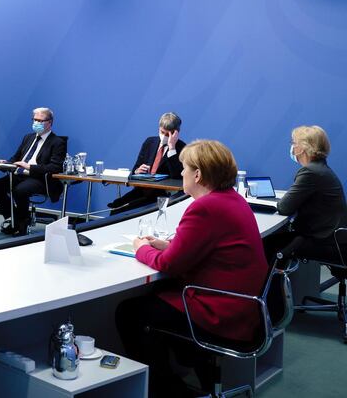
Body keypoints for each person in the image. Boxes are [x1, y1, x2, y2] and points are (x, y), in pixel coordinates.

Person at [115, 140, 268, 397]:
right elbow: (202, 246)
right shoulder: (232, 200)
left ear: (198, 174)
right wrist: (167, 244)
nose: (182, 173)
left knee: (130, 313)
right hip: (244, 308)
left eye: (185, 168)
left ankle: (167, 390)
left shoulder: (204, 207)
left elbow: (169, 264)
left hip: (220, 312)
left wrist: (141, 247)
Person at [264, 125, 347, 261]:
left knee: (267, 242)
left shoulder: (310, 172)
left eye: (294, 143)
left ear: (302, 148)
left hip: (326, 241)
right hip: (334, 237)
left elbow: (284, 207)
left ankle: (267, 282)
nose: (292, 147)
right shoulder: (321, 169)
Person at [0, 108, 67, 236]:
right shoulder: (28, 138)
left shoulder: (58, 142)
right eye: (35, 120)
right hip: (19, 175)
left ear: (50, 122)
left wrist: (29, 167)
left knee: (20, 190)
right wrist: (5, 163)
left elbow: (55, 167)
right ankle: (16, 220)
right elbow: (16, 158)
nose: (37, 123)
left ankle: (22, 223)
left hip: (39, 178)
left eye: (41, 121)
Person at [108, 112, 186, 214]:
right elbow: (135, 169)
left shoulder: (181, 148)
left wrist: (172, 148)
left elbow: (178, 177)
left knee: (126, 210)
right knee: (116, 206)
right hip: (141, 190)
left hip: (160, 195)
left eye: (168, 134)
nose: (164, 136)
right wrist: (137, 171)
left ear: (175, 133)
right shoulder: (150, 142)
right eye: (162, 132)